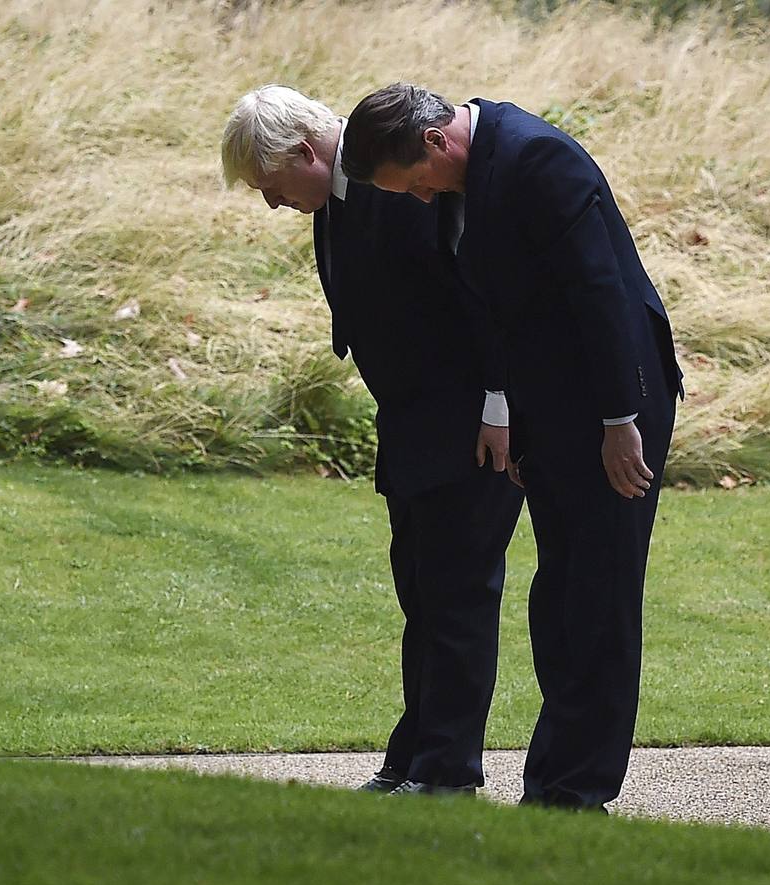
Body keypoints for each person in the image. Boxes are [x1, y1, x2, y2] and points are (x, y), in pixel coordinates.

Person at [340, 83, 684, 812]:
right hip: (551, 406)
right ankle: (553, 784)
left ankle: (576, 789)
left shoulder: (537, 160)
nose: (422, 200)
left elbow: (600, 292)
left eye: (415, 184)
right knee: (558, 597)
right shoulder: (461, 178)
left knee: (597, 593)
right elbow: (496, 310)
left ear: (435, 141)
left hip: (614, 402)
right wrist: (520, 425)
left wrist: (618, 421)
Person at [220, 85, 524, 796]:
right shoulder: (341, 195)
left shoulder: (399, 183)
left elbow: (480, 292)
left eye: (271, 186)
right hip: (412, 418)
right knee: (422, 592)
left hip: (469, 419)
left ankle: (446, 771)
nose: (273, 204)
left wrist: (500, 402)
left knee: (456, 595)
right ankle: (414, 756)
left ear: (305, 151)